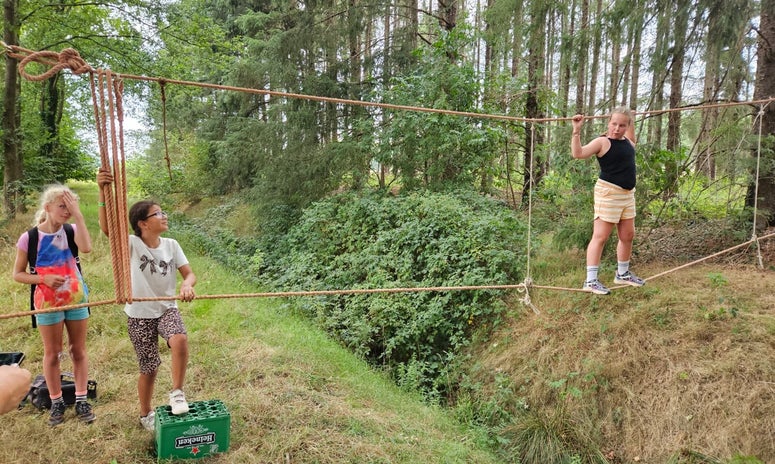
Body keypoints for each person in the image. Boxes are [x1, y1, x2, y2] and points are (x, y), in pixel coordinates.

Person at [97, 168, 196, 432]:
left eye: (163, 212)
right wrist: (102, 192)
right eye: (158, 213)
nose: (164, 216)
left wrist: (187, 284)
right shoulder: (132, 244)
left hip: (167, 308)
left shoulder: (172, 245)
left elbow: (189, 274)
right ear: (143, 223)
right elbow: (107, 229)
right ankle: (145, 413)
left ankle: (177, 392)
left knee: (179, 339)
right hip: (139, 314)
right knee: (149, 367)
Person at [12, 185, 95, 425]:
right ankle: (56, 401)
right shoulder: (30, 238)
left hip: (76, 299)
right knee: (52, 353)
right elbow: (18, 274)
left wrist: (79, 216)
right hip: (47, 303)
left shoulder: (71, 230)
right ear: (47, 207)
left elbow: (86, 248)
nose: (67, 211)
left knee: (78, 350)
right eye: (62, 206)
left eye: (70, 207)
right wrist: (43, 279)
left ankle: (81, 399)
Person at [571, 108, 645, 295]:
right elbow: (578, 153)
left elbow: (632, 139)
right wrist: (576, 130)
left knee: (628, 235)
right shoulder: (602, 142)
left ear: (627, 126)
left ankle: (622, 274)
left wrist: (631, 118)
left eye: (622, 125)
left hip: (627, 195)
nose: (617, 128)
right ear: (608, 123)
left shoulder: (628, 142)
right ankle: (590, 281)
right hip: (608, 193)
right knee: (601, 236)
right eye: (614, 124)